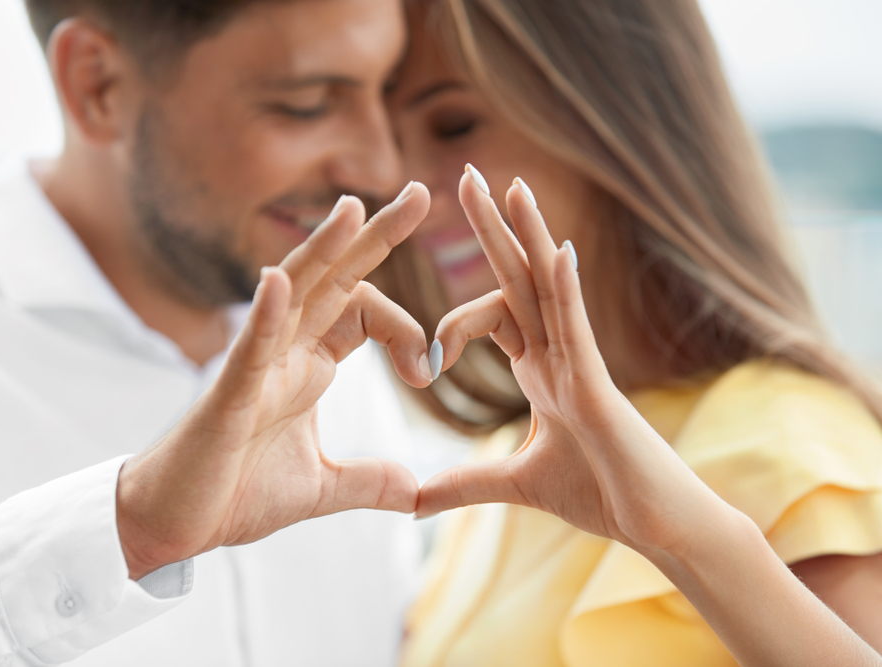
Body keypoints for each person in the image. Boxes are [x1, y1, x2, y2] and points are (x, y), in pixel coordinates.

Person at [0, 1, 433, 664]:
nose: (380, 165)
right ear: (98, 85)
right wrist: (128, 532)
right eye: (307, 104)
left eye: (387, 93)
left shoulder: (345, 359)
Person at [377, 0, 882, 664]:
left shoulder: (790, 443)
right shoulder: (505, 467)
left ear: (609, 114)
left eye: (455, 125)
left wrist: (689, 542)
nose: (409, 194)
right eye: (391, 147)